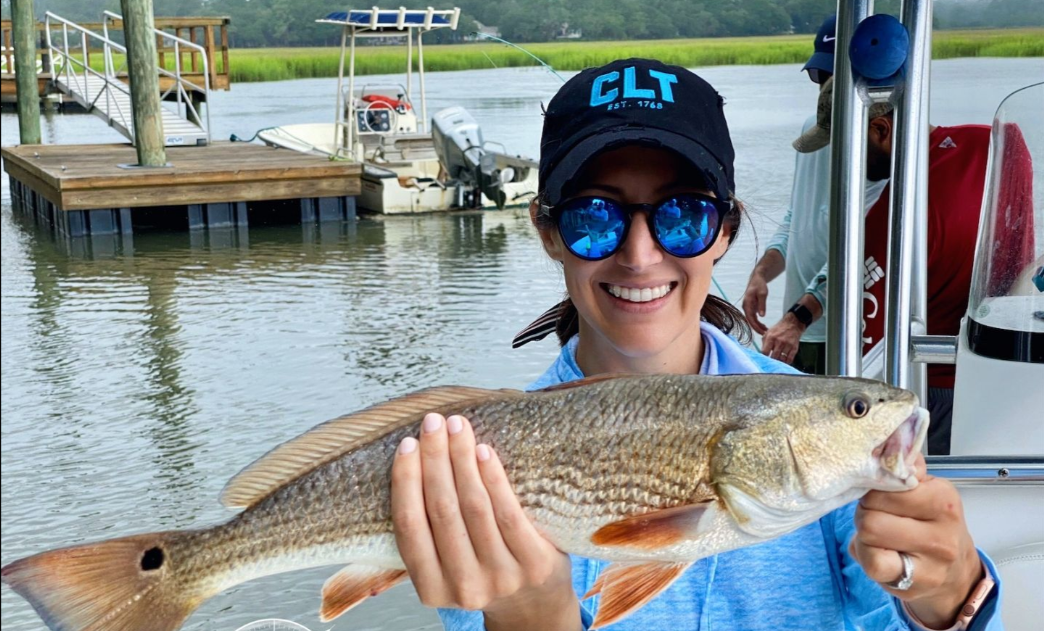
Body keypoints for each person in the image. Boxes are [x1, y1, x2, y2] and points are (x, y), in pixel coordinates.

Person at [389, 59, 1002, 630]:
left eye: (683, 216)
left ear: (725, 230)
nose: (639, 256)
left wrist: (951, 595)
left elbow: (903, 605)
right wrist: (535, 616)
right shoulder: (473, 465)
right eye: (593, 217)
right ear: (548, 232)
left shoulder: (825, 440)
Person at [791, 76, 1035, 455]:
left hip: (933, 392)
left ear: (881, 130)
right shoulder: (997, 143)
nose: (844, 160)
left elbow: (866, 363)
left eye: (846, 145)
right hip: (1003, 374)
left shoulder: (891, 218)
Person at [742, 14, 887, 374]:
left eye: (835, 76)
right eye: (820, 76)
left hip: (846, 330)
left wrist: (799, 317)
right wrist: (761, 273)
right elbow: (796, 216)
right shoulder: (815, 131)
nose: (825, 86)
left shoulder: (880, 148)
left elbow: (860, 247)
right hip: (797, 331)